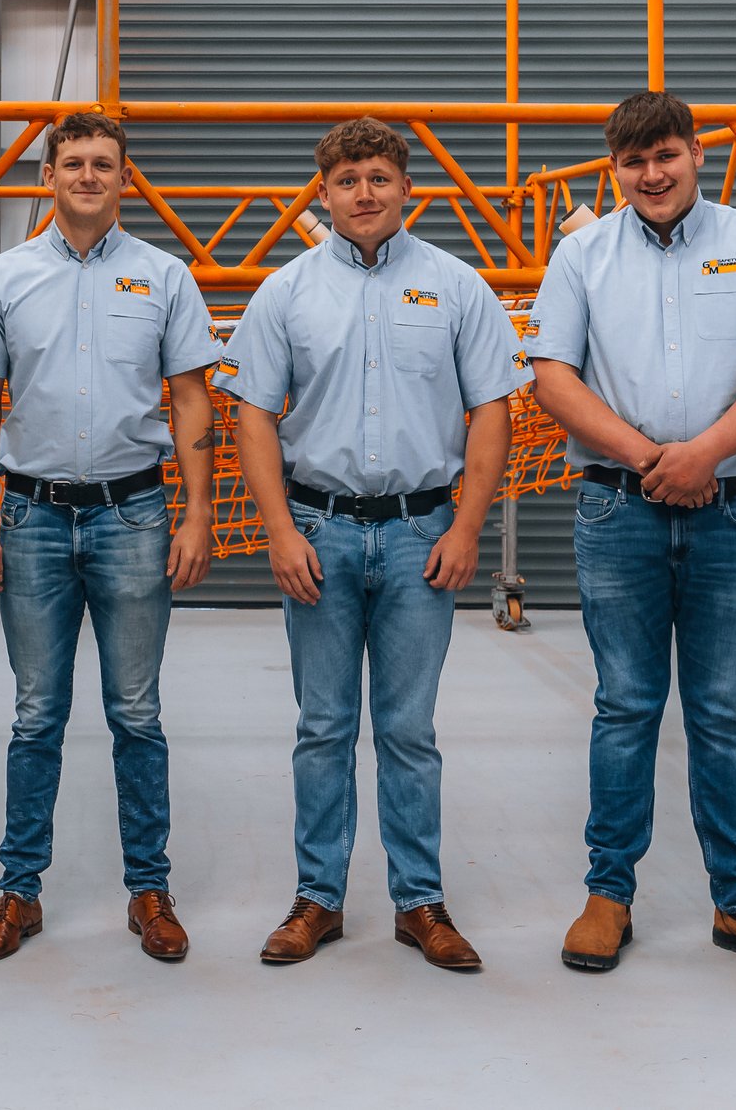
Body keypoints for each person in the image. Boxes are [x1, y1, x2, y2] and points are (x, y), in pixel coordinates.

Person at [526, 89, 736, 978]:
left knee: (722, 715)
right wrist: (658, 458)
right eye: (633, 161)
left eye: (665, 155)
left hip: (733, 510)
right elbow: (552, 376)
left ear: (697, 153)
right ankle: (607, 894)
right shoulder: (581, 255)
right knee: (624, 707)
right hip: (617, 508)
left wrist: (706, 453)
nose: (651, 174)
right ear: (614, 169)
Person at [222, 117, 524, 972]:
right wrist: (280, 530)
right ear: (323, 193)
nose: (364, 192)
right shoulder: (285, 292)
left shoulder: (457, 287)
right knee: (322, 726)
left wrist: (466, 524)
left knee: (408, 728)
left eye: (379, 177)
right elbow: (251, 414)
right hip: (317, 533)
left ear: (407, 190)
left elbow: (494, 408)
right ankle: (317, 898)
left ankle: (419, 902)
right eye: (348, 178)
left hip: (421, 538)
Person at [0, 112, 221, 965]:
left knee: (136, 712)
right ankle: (18, 892)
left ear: (125, 178)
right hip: (29, 518)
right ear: (49, 176)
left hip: (133, 516)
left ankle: (150, 889)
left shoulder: (165, 278)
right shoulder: (1, 278)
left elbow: (189, 403)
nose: (90, 175)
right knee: (36, 715)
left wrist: (200, 513)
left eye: (105, 163)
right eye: (74, 162)